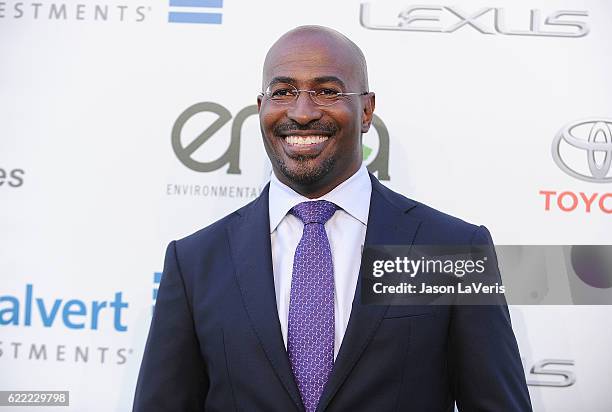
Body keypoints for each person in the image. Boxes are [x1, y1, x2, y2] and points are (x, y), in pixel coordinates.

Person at [133, 25, 532, 411]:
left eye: (327, 91)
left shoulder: (450, 250)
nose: (302, 112)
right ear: (261, 108)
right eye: (283, 92)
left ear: (366, 110)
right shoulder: (195, 262)